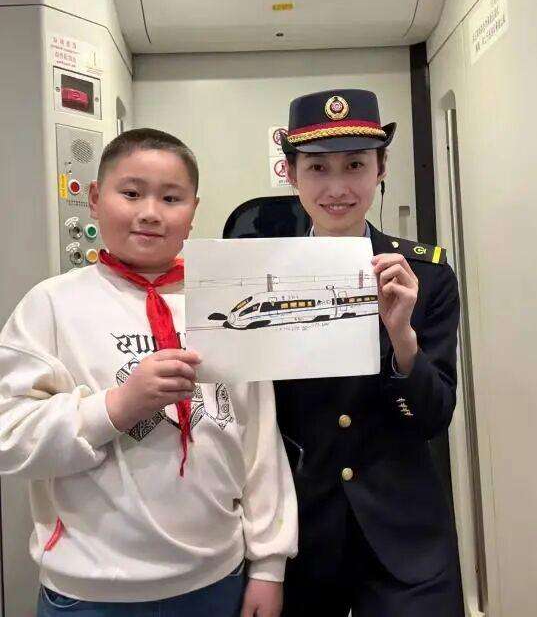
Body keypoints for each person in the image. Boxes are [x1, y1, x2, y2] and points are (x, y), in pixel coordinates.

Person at [0, 128, 297, 617]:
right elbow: (9, 438)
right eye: (131, 193)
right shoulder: (51, 305)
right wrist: (115, 407)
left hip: (216, 577)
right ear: (95, 199)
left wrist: (269, 565)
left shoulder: (225, 302)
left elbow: (259, 441)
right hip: (89, 592)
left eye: (171, 198)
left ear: (193, 211)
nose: (151, 212)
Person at [274, 90, 463, 617]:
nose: (338, 188)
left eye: (355, 165)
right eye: (317, 167)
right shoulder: (263, 277)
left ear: (381, 168)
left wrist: (403, 338)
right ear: (291, 174)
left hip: (406, 535)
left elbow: (434, 417)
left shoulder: (425, 276)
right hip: (301, 531)